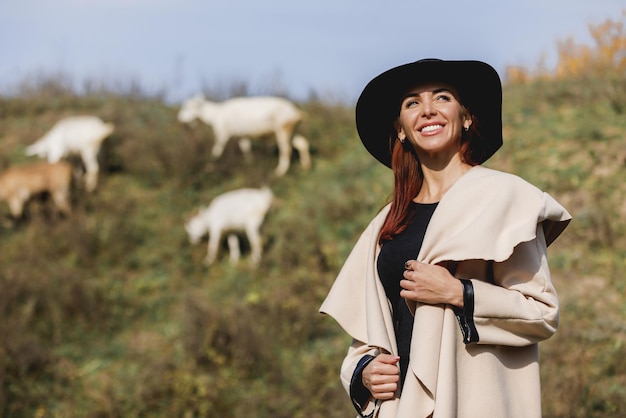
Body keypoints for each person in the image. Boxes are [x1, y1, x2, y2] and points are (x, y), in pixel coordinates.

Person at [319, 59, 572, 418]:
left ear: (466, 117)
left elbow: (541, 313)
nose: (427, 110)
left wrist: (460, 293)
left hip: (474, 402)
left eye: (442, 98)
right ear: (401, 129)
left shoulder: (504, 200)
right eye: (412, 103)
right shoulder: (386, 224)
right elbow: (369, 337)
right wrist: (363, 375)